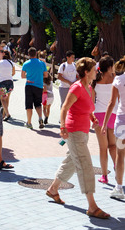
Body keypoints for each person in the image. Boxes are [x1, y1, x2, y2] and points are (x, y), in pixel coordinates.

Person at [46, 57, 110, 220]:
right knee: (85, 165)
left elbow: (85, 107)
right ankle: (92, 206)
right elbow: (64, 108)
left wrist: (92, 117)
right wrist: (62, 127)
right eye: (95, 70)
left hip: (83, 132)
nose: (97, 72)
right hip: (73, 132)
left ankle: (53, 189)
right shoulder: (76, 87)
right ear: (87, 72)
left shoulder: (88, 87)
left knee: (72, 162)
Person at [101, 56, 125, 200]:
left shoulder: (118, 80)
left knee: (120, 155)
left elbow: (111, 103)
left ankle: (119, 188)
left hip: (122, 120)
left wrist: (104, 124)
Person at [92, 55, 117, 184]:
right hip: (113, 114)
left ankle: (104, 176)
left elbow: (91, 102)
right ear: (110, 67)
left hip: (99, 115)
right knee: (113, 146)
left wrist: (91, 118)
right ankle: (117, 166)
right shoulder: (116, 79)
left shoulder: (96, 80)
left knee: (103, 148)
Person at [21, 47, 48, 129]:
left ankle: (29, 123)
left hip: (29, 85)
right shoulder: (42, 63)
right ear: (36, 53)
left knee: (29, 105)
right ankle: (40, 118)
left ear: (28, 54)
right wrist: (39, 75)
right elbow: (46, 75)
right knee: (38, 104)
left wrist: (29, 75)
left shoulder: (26, 64)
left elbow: (22, 76)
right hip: (39, 86)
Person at [0, 50, 15, 121]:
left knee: (2, 99)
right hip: (10, 83)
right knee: (7, 99)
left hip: (2, 83)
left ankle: (7, 114)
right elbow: (13, 73)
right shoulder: (11, 63)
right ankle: (3, 115)